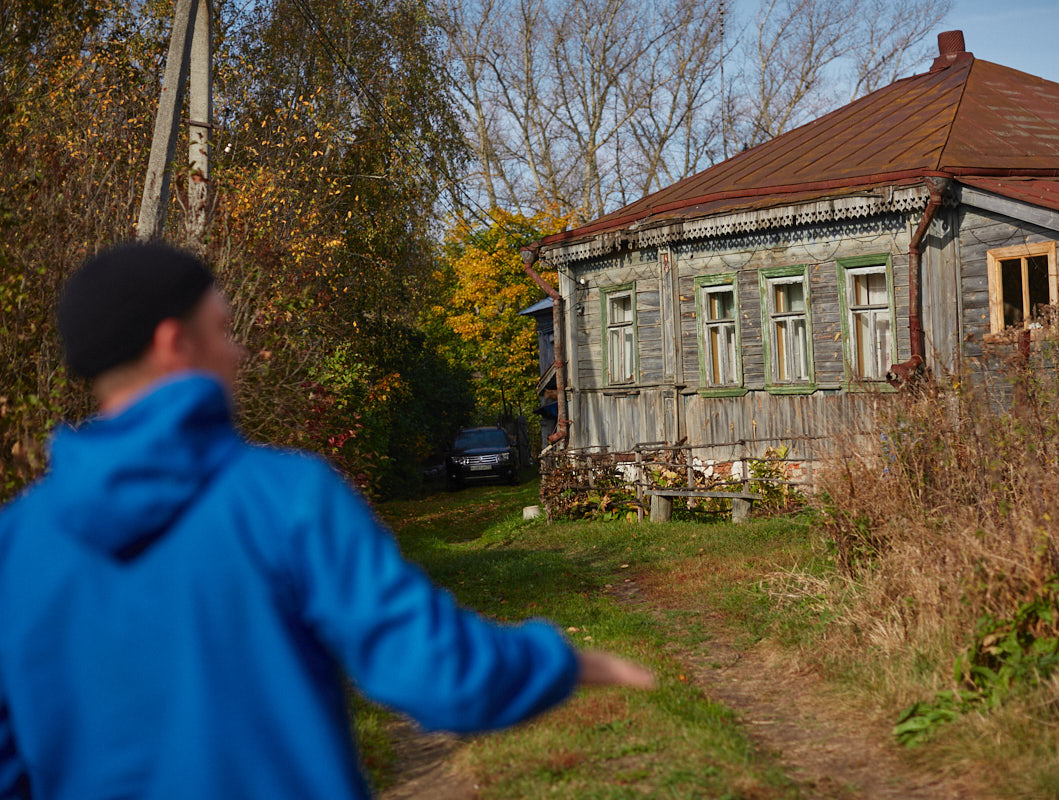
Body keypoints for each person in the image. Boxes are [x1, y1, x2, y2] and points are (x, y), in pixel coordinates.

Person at [0, 241, 653, 800]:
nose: (239, 354)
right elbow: (436, 673)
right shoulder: (284, 499)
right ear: (174, 343)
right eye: (224, 330)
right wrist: (558, 662)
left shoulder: (14, 544)